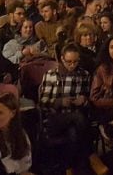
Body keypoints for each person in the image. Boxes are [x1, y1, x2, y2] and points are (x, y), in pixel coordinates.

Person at [38, 43, 92, 173]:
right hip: (55, 118)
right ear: (62, 59)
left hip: (75, 119)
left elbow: (89, 99)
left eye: (75, 61)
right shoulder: (51, 75)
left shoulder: (84, 75)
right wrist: (60, 102)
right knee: (78, 120)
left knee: (73, 133)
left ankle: (69, 167)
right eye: (69, 62)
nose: (72, 65)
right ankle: (90, 156)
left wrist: (83, 100)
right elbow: (42, 102)